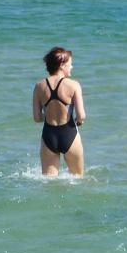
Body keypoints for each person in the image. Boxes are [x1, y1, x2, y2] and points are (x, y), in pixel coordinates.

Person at [32, 47, 86, 176]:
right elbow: (81, 115)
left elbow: (37, 117)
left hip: (48, 136)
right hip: (69, 134)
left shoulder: (39, 86)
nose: (72, 67)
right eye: (70, 64)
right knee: (77, 179)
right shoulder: (73, 85)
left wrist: (50, 114)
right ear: (62, 65)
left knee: (49, 182)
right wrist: (79, 121)